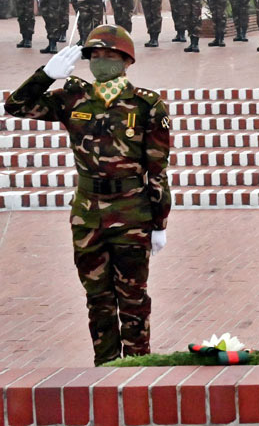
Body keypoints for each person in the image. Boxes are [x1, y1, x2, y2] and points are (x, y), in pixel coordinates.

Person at [5, 25, 171, 365]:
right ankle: (106, 368)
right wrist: (45, 75)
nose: (100, 62)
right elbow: (16, 106)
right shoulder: (72, 99)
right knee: (97, 298)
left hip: (131, 213)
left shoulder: (146, 104)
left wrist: (160, 222)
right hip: (87, 213)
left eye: (109, 56)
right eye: (94, 56)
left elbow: (157, 168)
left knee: (133, 297)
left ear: (127, 61)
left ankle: (138, 367)